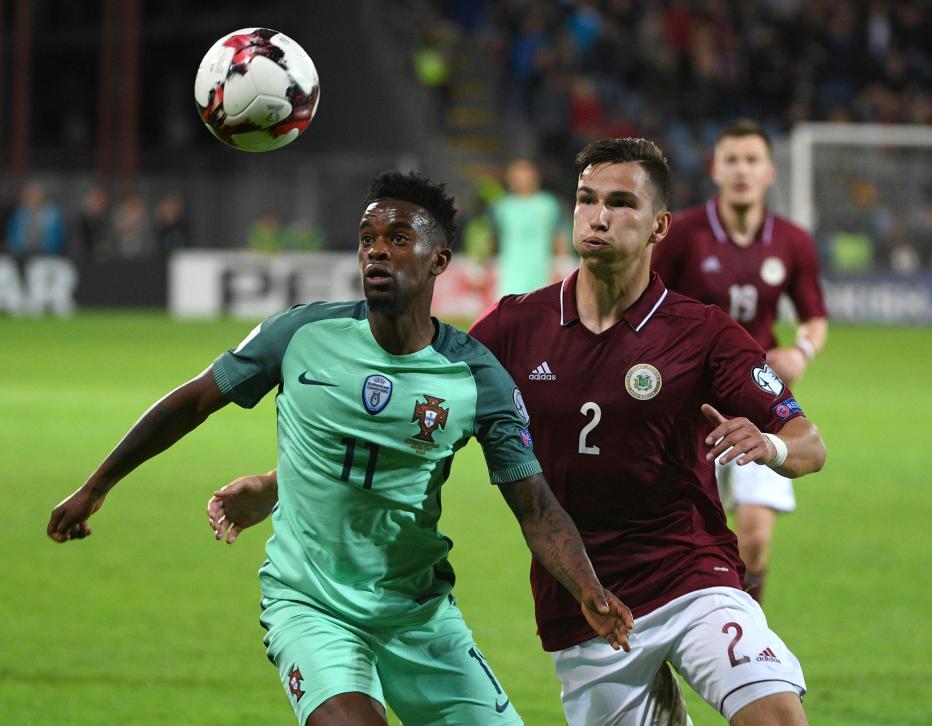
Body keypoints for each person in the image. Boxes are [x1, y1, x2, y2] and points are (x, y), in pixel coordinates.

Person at [215, 141, 827, 725]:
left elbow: (808, 443)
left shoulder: (702, 332)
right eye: (587, 199)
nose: (598, 216)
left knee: (773, 713)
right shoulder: (516, 325)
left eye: (621, 203)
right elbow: (418, 415)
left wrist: (770, 445)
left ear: (659, 226)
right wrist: (278, 484)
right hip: (580, 602)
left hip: (691, 576)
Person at [46, 171, 633, 726]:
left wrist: (588, 587)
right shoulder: (301, 334)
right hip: (311, 605)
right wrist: (96, 487)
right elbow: (194, 401)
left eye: (398, 239)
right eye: (367, 239)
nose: (376, 251)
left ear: (439, 261)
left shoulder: (475, 376)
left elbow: (533, 505)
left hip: (419, 613)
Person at [653, 119, 829, 604]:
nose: (741, 170)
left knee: (753, 537)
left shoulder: (792, 241)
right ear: (715, 168)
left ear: (770, 172)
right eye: (731, 160)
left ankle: (748, 639)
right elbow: (646, 302)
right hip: (685, 402)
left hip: (756, 399)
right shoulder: (684, 233)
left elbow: (815, 317)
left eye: (751, 160)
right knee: (678, 537)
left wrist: (801, 351)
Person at [490, 158, 569, 296]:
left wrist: (562, 261)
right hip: (510, 275)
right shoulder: (502, 207)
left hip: (541, 274)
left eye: (525, 174)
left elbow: (559, 234)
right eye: (515, 176)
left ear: (535, 177)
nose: (520, 179)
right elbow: (493, 238)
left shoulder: (549, 204)